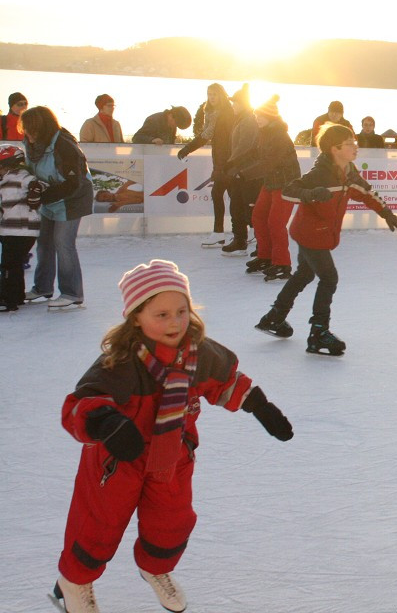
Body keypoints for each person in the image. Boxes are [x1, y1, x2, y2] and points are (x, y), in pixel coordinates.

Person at [51, 259, 292, 613]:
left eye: (181, 311)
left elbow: (225, 382)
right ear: (136, 317)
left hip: (173, 458)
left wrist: (259, 405)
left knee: (172, 522)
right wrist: (106, 423)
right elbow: (79, 405)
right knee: (97, 526)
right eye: (161, 315)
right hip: (119, 460)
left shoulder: (200, 353)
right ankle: (73, 582)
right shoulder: (120, 363)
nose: (175, 322)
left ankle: (155, 569)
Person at [256, 125, 397, 355]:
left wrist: (387, 213)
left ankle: (274, 317)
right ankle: (318, 333)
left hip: (319, 233)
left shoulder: (348, 171)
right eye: (350, 143)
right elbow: (288, 190)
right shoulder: (320, 174)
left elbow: (366, 192)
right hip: (310, 234)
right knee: (329, 277)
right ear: (335, 149)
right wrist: (311, 194)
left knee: (304, 274)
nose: (356, 146)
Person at [20, 106, 93, 311]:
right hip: (50, 197)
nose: (27, 132)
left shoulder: (64, 145)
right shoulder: (31, 143)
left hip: (72, 198)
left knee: (63, 243)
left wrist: (42, 196)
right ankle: (42, 288)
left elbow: (73, 182)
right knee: (44, 242)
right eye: (25, 128)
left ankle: (72, 293)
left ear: (42, 127)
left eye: (31, 128)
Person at [242, 96, 299, 281]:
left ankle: (283, 264)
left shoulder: (279, 136)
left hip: (286, 183)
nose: (257, 118)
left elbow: (268, 163)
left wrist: (243, 174)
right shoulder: (264, 132)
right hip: (271, 182)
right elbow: (253, 154)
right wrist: (232, 166)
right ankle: (265, 257)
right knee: (258, 216)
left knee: (275, 223)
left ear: (270, 117)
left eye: (260, 116)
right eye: (256, 115)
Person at [177, 84, 238, 248]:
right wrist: (186, 150)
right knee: (234, 196)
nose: (212, 97)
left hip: (227, 161)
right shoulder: (211, 113)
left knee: (218, 193)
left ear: (222, 96)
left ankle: (222, 234)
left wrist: (225, 163)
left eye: (215, 94)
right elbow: (205, 136)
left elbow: (227, 139)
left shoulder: (226, 113)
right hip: (221, 160)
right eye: (209, 94)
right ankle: (245, 233)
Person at [0, 143, 42, 311]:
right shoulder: (4, 182)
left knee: (9, 264)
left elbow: (37, 184)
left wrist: (34, 192)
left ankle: (7, 299)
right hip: (10, 229)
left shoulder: (22, 177)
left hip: (21, 230)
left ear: (9, 165)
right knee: (14, 263)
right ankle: (17, 296)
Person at [221, 86, 260, 256]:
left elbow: (245, 146)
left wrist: (231, 163)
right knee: (236, 205)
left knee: (247, 208)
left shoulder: (248, 120)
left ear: (242, 104)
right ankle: (239, 240)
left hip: (247, 172)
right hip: (239, 170)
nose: (232, 106)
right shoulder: (241, 119)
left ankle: (258, 244)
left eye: (235, 102)